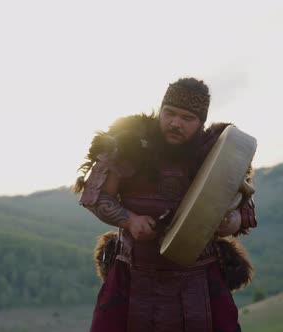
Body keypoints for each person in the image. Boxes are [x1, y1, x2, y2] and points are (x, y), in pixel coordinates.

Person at [74, 78, 257, 332]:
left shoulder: (220, 154)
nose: (175, 123)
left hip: (201, 277)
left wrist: (230, 220)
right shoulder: (127, 144)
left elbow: (244, 209)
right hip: (133, 271)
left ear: (201, 121)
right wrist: (129, 219)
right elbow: (96, 197)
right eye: (169, 113)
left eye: (187, 118)